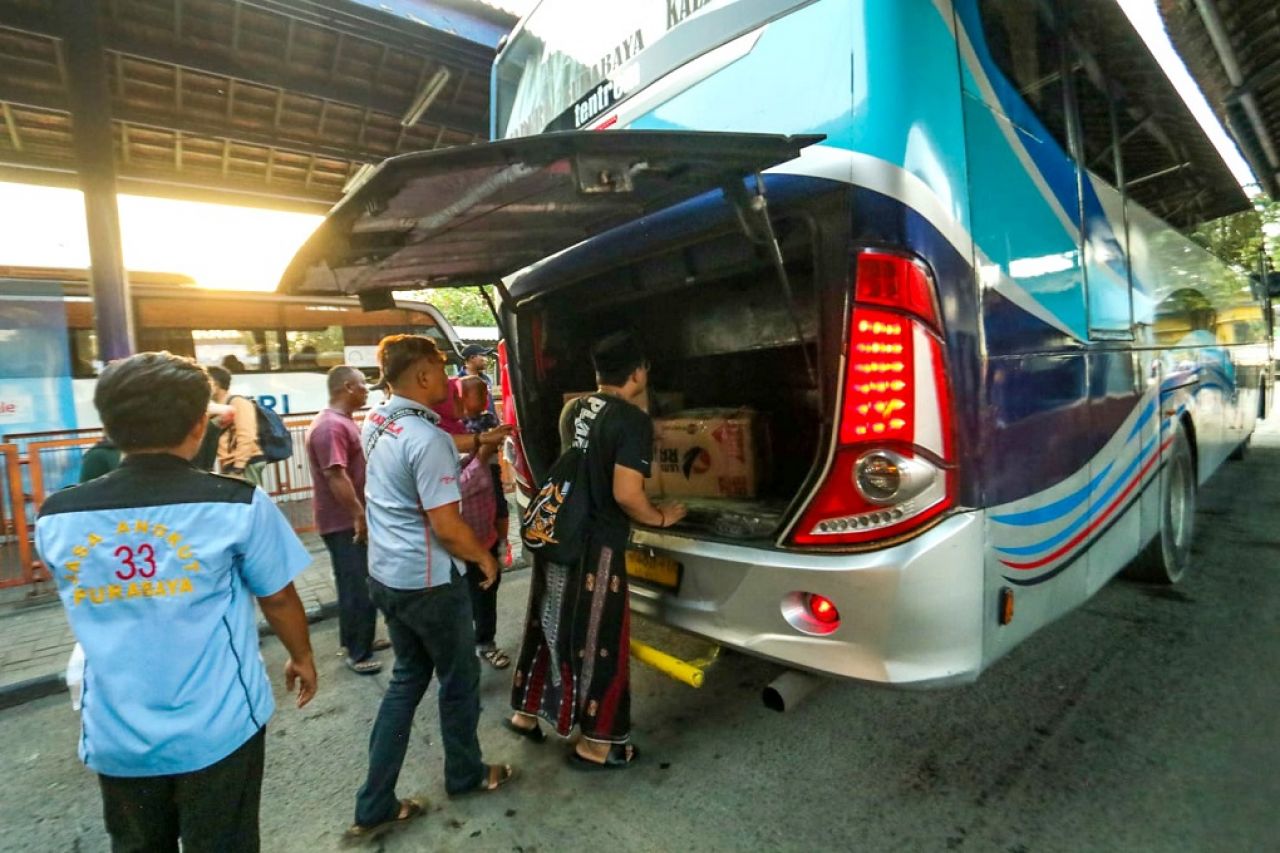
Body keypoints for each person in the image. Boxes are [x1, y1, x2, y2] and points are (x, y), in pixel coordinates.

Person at [34, 351, 317, 852]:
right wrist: (302, 656)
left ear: (109, 424)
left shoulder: (57, 516)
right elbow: (277, 597)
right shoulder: (237, 503)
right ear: (197, 425)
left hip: (117, 734)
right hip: (220, 728)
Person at [347, 334, 515, 841]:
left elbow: (423, 464)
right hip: (429, 584)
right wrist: (483, 556)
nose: (448, 378)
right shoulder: (428, 438)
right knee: (459, 681)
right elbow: (446, 526)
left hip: (387, 576)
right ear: (422, 374)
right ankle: (465, 774)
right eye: (440, 369)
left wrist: (477, 444)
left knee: (406, 681)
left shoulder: (378, 420)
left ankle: (375, 802)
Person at [507, 331, 686, 769]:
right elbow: (627, 494)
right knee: (597, 641)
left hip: (557, 534)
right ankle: (596, 745)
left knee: (547, 622)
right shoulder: (631, 420)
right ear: (638, 372)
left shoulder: (573, 409)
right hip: (595, 547)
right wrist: (662, 517)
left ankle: (525, 714)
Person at [305, 365, 385, 675]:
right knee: (356, 587)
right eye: (363, 384)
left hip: (350, 520)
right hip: (343, 523)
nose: (367, 390)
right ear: (348, 387)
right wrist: (358, 515)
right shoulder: (330, 427)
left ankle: (359, 638)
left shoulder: (341, 421)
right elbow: (335, 475)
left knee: (360, 582)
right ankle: (357, 652)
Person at [459, 375, 511, 669]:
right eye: (477, 393)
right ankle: (472, 645)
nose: (484, 398)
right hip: (462, 533)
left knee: (486, 583)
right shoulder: (447, 433)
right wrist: (483, 449)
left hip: (483, 524)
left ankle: (485, 641)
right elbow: (463, 482)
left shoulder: (487, 419)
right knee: (474, 586)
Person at [207, 365, 266, 484]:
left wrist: (239, 467)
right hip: (232, 463)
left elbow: (246, 435)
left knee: (248, 495)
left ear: (215, 385)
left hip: (245, 463)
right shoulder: (218, 406)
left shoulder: (238, 402)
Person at [459, 344, 497, 416]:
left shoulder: (486, 379)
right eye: (483, 355)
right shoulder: (458, 382)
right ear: (472, 358)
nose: (486, 359)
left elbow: (490, 404)